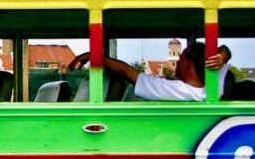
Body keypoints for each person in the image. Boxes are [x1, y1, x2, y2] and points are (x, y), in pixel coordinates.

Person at [67, 42, 231, 101]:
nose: (176, 65)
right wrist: (223, 55)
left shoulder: (178, 91)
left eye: (180, 60)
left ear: (188, 63)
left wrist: (94, 56)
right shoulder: (214, 90)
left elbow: (126, 72)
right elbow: (223, 54)